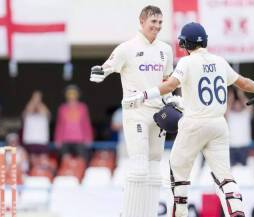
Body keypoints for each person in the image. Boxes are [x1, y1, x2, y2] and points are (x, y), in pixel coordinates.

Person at [122, 22, 254, 217]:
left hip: (194, 123)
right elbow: (243, 83)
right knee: (224, 176)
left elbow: (170, 85)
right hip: (219, 125)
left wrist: (144, 95)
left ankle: (180, 212)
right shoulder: (220, 61)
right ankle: (237, 212)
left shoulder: (187, 62)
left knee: (177, 168)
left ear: (185, 44)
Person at [89, 5, 177, 217]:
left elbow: (167, 83)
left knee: (156, 169)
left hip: (158, 114)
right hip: (135, 111)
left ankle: (148, 214)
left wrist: (172, 101)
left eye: (159, 22)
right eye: (153, 22)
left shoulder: (165, 50)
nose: (157, 26)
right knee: (139, 167)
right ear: (142, 21)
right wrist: (99, 73)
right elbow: (106, 68)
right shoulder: (126, 48)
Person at [54, 85, 93, 162]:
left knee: (81, 161)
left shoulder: (83, 107)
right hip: (65, 139)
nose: (71, 96)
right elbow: (59, 125)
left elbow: (86, 124)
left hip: (80, 139)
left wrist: (88, 138)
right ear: (66, 95)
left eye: (73, 93)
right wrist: (57, 139)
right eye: (69, 93)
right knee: (65, 160)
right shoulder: (62, 108)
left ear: (77, 95)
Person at [226, 88, 254, 166]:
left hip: (244, 146)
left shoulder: (245, 114)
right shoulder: (230, 115)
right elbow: (227, 108)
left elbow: (250, 106)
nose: (237, 105)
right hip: (232, 146)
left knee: (244, 171)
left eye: (239, 104)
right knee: (231, 171)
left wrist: (240, 95)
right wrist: (230, 98)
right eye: (236, 104)